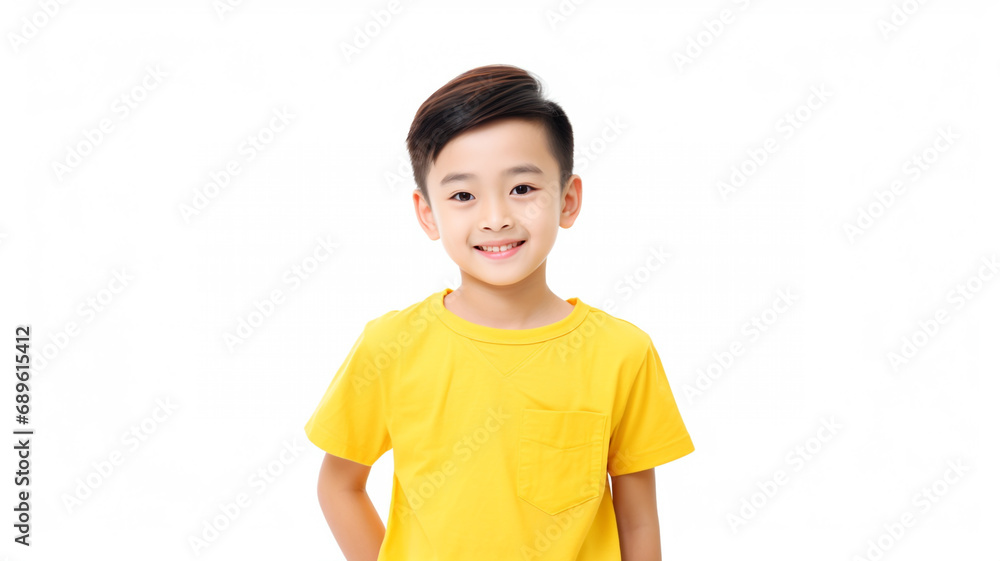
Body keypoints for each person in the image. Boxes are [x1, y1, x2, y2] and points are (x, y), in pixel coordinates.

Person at [304, 64, 695, 560]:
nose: (496, 218)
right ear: (428, 214)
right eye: (463, 195)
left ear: (568, 200)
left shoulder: (622, 353)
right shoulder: (391, 345)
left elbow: (638, 522)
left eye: (522, 189)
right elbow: (339, 486)